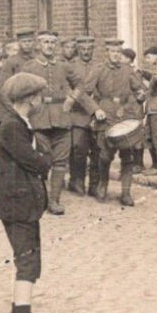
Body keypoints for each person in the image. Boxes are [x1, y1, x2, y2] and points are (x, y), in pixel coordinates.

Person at [0, 72, 59, 313]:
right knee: (28, 261)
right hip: (17, 204)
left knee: (28, 259)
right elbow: (36, 162)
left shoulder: (20, 123)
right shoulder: (12, 127)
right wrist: (45, 159)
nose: (41, 100)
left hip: (20, 202)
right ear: (30, 99)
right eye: (39, 96)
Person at [76, 38, 148, 206]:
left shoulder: (128, 70)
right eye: (113, 52)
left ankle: (126, 193)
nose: (116, 55)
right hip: (105, 115)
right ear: (107, 52)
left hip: (125, 114)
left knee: (128, 156)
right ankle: (102, 184)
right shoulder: (98, 70)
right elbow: (83, 93)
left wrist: (140, 95)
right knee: (105, 155)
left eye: (118, 52)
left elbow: (140, 89)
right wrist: (95, 109)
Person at [21, 30, 76, 215]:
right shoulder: (28, 67)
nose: (49, 46)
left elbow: (81, 84)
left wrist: (72, 98)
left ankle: (54, 201)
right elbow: (18, 91)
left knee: (61, 161)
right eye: (45, 42)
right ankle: (39, 198)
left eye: (53, 42)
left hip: (61, 116)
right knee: (42, 160)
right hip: (39, 117)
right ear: (38, 45)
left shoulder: (63, 66)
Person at [65, 37, 97, 196]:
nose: (86, 52)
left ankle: (94, 184)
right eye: (83, 49)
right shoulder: (71, 67)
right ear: (78, 50)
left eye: (89, 49)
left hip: (96, 114)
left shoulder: (99, 67)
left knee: (97, 149)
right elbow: (69, 90)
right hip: (77, 113)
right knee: (78, 148)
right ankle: (76, 180)